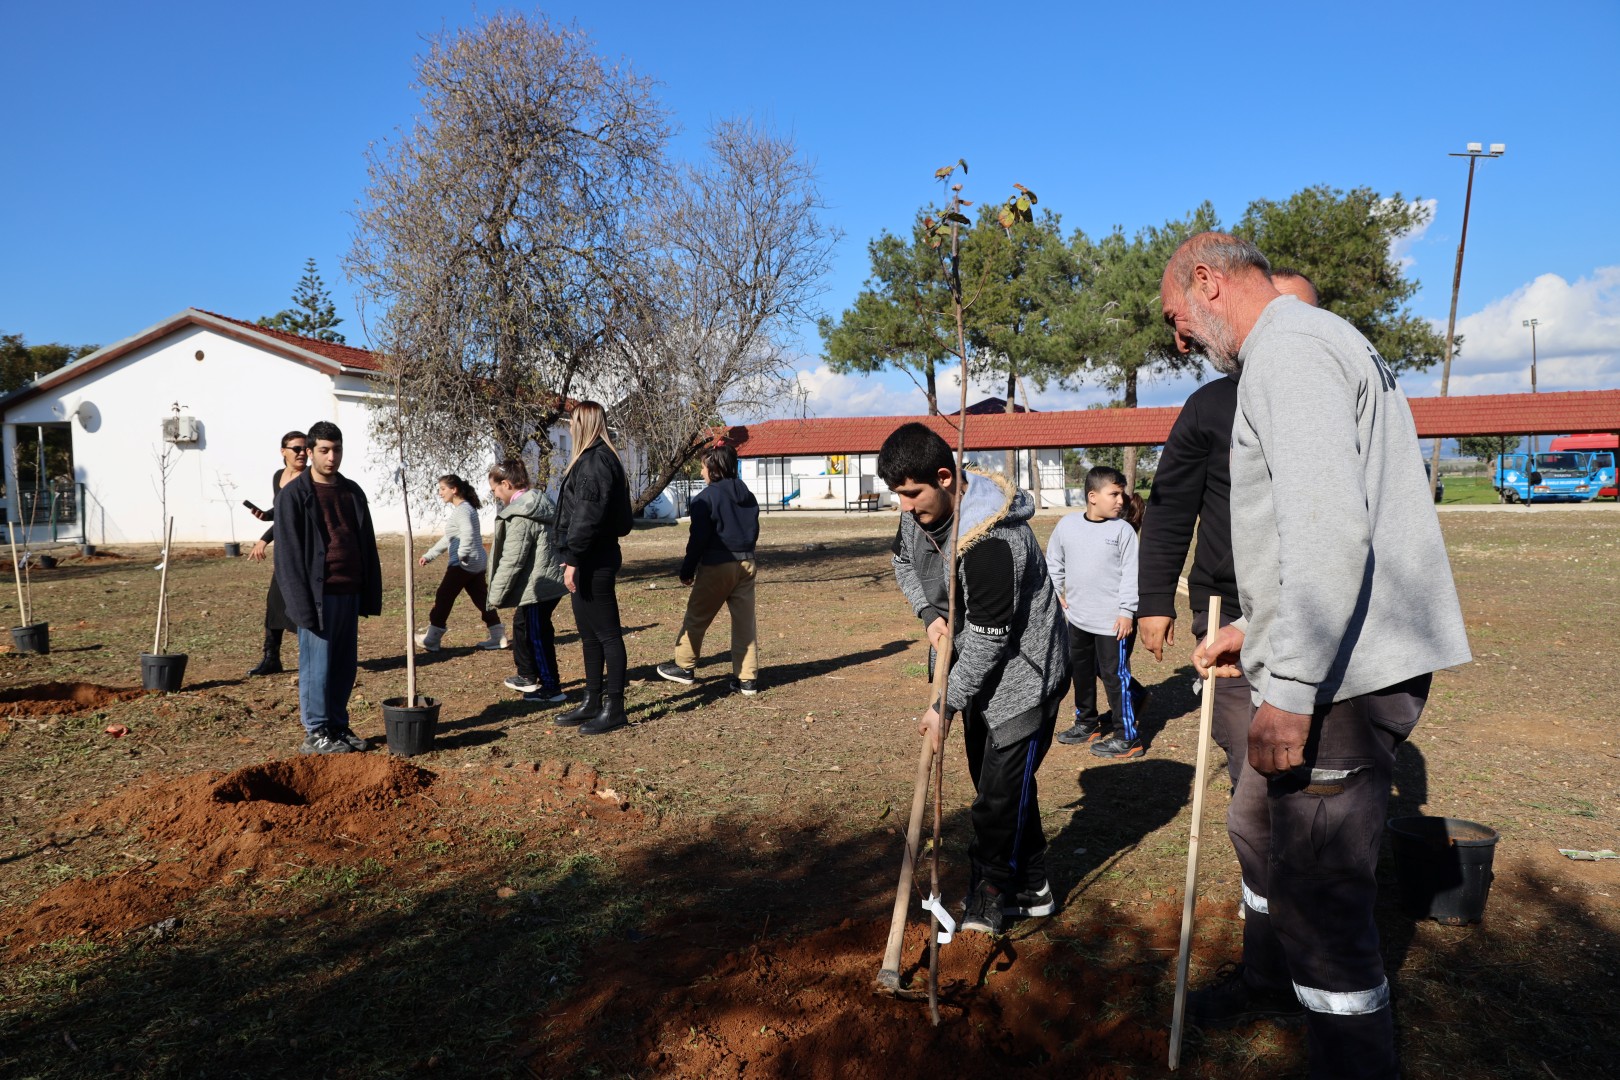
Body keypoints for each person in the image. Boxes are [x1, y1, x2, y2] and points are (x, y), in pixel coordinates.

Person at [1161, 233, 1470, 1079]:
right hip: (1318, 650)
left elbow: (1332, 532)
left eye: (1176, 319)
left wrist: (1289, 689)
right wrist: (1253, 634)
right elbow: (1311, 528)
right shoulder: (1307, 343)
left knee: (1327, 891)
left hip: (1345, 679)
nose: (1179, 340)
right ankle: (1270, 978)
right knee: (1258, 823)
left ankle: (1352, 1059)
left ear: (1208, 283)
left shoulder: (1290, 353)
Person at [879, 422, 1071, 937]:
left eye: (912, 493)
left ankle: (990, 892)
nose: (904, 507)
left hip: (1024, 678)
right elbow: (901, 564)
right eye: (897, 495)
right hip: (975, 672)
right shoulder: (918, 518)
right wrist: (929, 614)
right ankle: (1033, 887)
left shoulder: (994, 540)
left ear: (945, 477)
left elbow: (989, 639)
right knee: (998, 787)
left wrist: (943, 706)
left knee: (995, 798)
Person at [1138, 267, 1321, 788]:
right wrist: (1153, 600)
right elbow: (1170, 506)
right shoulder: (1210, 406)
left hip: (1319, 606)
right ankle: (1262, 862)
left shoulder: (1330, 392)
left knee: (1319, 754)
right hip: (1228, 606)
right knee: (1253, 755)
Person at [272, 421, 385, 755]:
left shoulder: (352, 491)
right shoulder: (294, 495)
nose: (331, 456)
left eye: (336, 449)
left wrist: (368, 590)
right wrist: (299, 604)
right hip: (317, 597)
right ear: (309, 452)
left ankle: (337, 723)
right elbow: (288, 556)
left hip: (348, 591)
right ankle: (316, 731)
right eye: (323, 450)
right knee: (316, 668)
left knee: (344, 665)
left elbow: (366, 542)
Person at [1047, 466, 1143, 758]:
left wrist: (1127, 611)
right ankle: (1087, 723)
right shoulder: (1067, 525)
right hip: (1077, 619)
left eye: (1121, 494)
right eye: (1114, 493)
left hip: (1113, 624)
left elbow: (1130, 574)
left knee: (1115, 677)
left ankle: (1128, 737)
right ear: (1092, 496)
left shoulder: (1123, 531)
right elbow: (1054, 562)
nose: (1120, 500)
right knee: (1082, 672)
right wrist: (1056, 592)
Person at [552, 401, 634, 735]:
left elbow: (587, 517)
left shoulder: (596, 462)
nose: (569, 427)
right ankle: (592, 700)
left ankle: (614, 708)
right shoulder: (592, 459)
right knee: (589, 636)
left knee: (608, 635)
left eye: (572, 422)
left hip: (593, 560)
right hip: (585, 557)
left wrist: (573, 559)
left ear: (583, 423)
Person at [656, 445, 761, 695]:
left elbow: (698, 540)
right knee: (745, 622)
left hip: (717, 564)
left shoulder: (705, 498)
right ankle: (747, 679)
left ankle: (684, 666)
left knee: (697, 616)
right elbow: (753, 531)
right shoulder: (749, 496)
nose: (701, 471)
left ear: (713, 469)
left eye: (703, 466)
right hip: (747, 563)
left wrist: (687, 569)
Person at [486, 458, 569, 704]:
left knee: (537, 634)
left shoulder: (521, 515)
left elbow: (513, 559)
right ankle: (528, 676)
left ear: (507, 484)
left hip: (537, 586)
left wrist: (495, 595)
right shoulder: (536, 504)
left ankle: (551, 687)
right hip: (545, 582)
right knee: (525, 625)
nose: (495, 496)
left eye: (495, 490)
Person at [416, 474, 505, 652]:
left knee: (444, 596)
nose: (440, 493)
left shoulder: (463, 510)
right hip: (475, 562)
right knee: (481, 599)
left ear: (454, 489)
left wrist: (462, 554)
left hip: (464, 563)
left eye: (442, 489)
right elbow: (449, 537)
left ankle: (432, 639)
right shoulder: (464, 509)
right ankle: (498, 636)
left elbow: (468, 532)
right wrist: (430, 555)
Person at [245, 430, 307, 676]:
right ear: (283, 451)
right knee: (274, 603)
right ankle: (272, 658)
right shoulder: (278, 476)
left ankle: (311, 656)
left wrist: (263, 539)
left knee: (302, 604)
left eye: (305, 448)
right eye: (297, 449)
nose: (303, 453)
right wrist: (266, 515)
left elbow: (295, 516)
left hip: (303, 550)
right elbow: (281, 510)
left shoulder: (310, 479)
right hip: (285, 551)